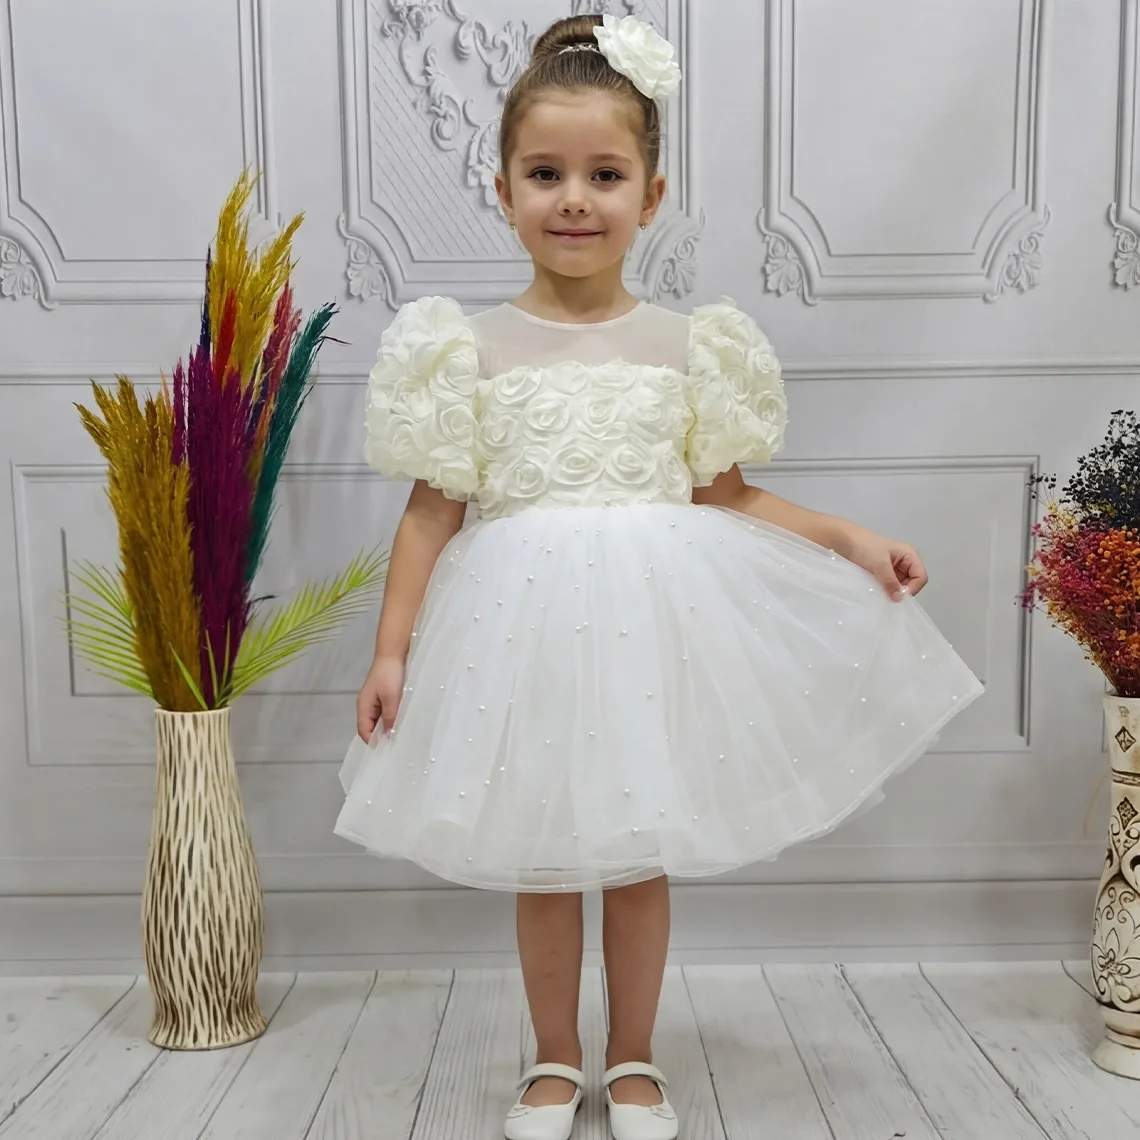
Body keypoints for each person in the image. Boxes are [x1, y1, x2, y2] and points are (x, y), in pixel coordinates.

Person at [334, 13, 983, 1140]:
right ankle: (553, 1061)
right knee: (543, 856)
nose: (574, 199)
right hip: (521, 637)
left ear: (653, 194)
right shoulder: (465, 347)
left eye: (605, 174)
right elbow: (433, 511)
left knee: (636, 858)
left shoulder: (686, 345)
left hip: (645, 635)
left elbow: (724, 495)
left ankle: (632, 1060)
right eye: (546, 174)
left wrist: (847, 538)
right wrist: (392, 651)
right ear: (502, 190)